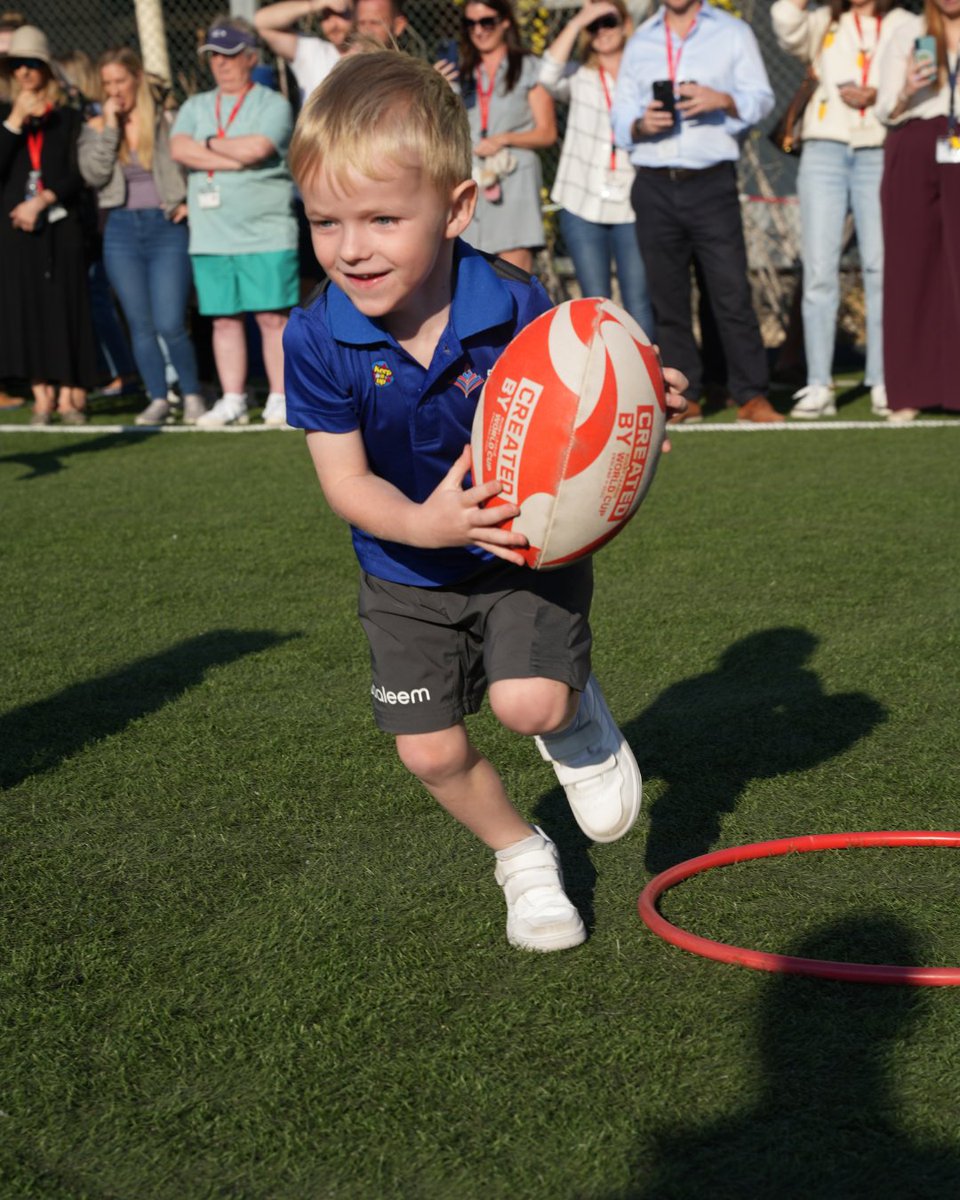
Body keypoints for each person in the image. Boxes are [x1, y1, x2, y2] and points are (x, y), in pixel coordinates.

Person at [282, 50, 688, 952]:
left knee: (526, 705)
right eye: (325, 221)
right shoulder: (315, 334)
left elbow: (578, 398)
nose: (352, 248)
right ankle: (521, 855)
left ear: (458, 208)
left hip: (519, 547)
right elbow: (345, 483)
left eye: (384, 218)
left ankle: (574, 713)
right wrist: (423, 523)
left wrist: (643, 392)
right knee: (428, 751)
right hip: (402, 565)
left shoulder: (507, 299)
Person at [610, 0, 785, 424]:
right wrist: (639, 124)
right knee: (667, 296)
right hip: (653, 180)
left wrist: (722, 99)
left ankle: (751, 393)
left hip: (711, 180)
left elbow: (762, 99)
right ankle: (686, 394)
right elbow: (619, 116)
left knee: (730, 291)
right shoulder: (642, 39)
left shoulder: (732, 32)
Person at [772, 0, 912, 420]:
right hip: (823, 152)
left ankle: (883, 380)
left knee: (880, 267)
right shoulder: (824, 21)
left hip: (880, 147)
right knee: (818, 268)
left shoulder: (903, 22)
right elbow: (784, 18)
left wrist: (881, 95)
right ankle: (818, 383)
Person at [171, 17, 298, 427]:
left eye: (228, 55)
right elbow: (179, 149)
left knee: (271, 317)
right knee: (223, 319)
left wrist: (205, 145)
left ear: (250, 57)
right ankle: (232, 398)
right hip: (211, 234)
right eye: (213, 56)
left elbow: (260, 147)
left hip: (266, 229)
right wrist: (230, 154)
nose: (220, 64)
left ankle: (279, 397)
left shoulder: (273, 104)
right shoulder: (194, 106)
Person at [79, 47, 206, 426]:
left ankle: (193, 393)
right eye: (107, 84)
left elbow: (191, 165)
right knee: (140, 323)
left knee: (170, 320)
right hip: (120, 229)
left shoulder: (168, 119)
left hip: (166, 225)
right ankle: (157, 398)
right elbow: (93, 175)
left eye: (120, 80)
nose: (114, 90)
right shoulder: (97, 127)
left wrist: (187, 202)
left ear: (136, 78)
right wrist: (112, 127)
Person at [0, 25, 97, 424]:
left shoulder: (69, 117)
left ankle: (73, 392)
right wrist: (14, 122)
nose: (24, 72)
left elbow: (80, 173)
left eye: (32, 64)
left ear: (47, 68)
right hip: (15, 227)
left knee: (67, 304)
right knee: (27, 307)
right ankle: (41, 393)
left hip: (61, 223)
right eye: (16, 65)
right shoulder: (4, 117)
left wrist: (44, 200)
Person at [540, 0, 654, 333]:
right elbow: (546, 75)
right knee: (594, 304)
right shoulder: (579, 75)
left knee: (639, 302)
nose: (602, 31)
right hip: (582, 203)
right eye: (595, 26)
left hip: (633, 205)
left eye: (609, 21)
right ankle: (600, 383)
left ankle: (645, 382)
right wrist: (579, 21)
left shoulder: (643, 77)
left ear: (626, 24)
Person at [873, 0, 960, 420]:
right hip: (916, 139)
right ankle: (908, 389)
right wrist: (908, 87)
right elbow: (884, 109)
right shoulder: (906, 32)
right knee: (909, 267)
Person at [458, 0, 556, 273]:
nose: (478, 30)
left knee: (514, 276)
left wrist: (504, 138)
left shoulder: (527, 66)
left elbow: (547, 132)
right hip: (472, 178)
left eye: (486, 21)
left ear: (505, 21)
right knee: (471, 271)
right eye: (471, 23)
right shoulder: (461, 70)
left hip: (513, 177)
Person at [254, 0, 352, 102]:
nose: (333, 25)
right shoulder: (312, 50)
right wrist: (314, 5)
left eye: (341, 15)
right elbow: (261, 21)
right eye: (325, 17)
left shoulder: (368, 53)